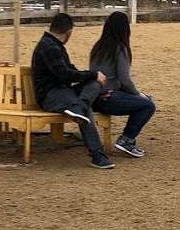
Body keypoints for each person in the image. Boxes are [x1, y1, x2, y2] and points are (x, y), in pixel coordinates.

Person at [31, 12, 115, 170]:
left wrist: (92, 77)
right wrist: (92, 74)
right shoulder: (49, 47)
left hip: (64, 93)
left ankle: (80, 106)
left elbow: (70, 70)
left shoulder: (53, 45)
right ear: (69, 32)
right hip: (51, 95)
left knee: (94, 85)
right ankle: (97, 155)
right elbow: (65, 75)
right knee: (87, 104)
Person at [88, 11, 156, 159]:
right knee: (148, 105)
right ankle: (127, 139)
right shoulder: (119, 48)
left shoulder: (98, 47)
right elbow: (124, 79)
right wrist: (138, 94)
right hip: (109, 96)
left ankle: (127, 139)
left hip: (94, 97)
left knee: (144, 101)